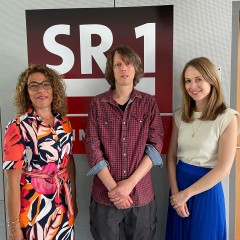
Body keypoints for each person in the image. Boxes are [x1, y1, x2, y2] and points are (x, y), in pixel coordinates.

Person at [85, 45, 164, 240]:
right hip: (105, 195)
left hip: (141, 194)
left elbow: (155, 146)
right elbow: (92, 147)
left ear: (135, 68)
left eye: (128, 64)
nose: (124, 68)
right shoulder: (97, 103)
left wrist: (129, 184)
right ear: (111, 70)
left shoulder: (149, 103)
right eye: (118, 64)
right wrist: (115, 189)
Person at [165, 57, 240, 240]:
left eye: (199, 79)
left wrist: (186, 194)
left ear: (212, 80)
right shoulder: (180, 115)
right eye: (188, 81)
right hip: (179, 185)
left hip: (207, 189)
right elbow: (171, 156)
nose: (193, 86)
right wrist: (176, 194)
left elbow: (223, 169)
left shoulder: (228, 118)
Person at [3, 64, 78, 240]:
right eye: (33, 85)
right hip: (34, 210)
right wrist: (14, 228)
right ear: (26, 92)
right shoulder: (17, 127)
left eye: (46, 84)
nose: (40, 90)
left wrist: (73, 200)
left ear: (54, 89)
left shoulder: (64, 123)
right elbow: (12, 182)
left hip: (64, 206)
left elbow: (69, 162)